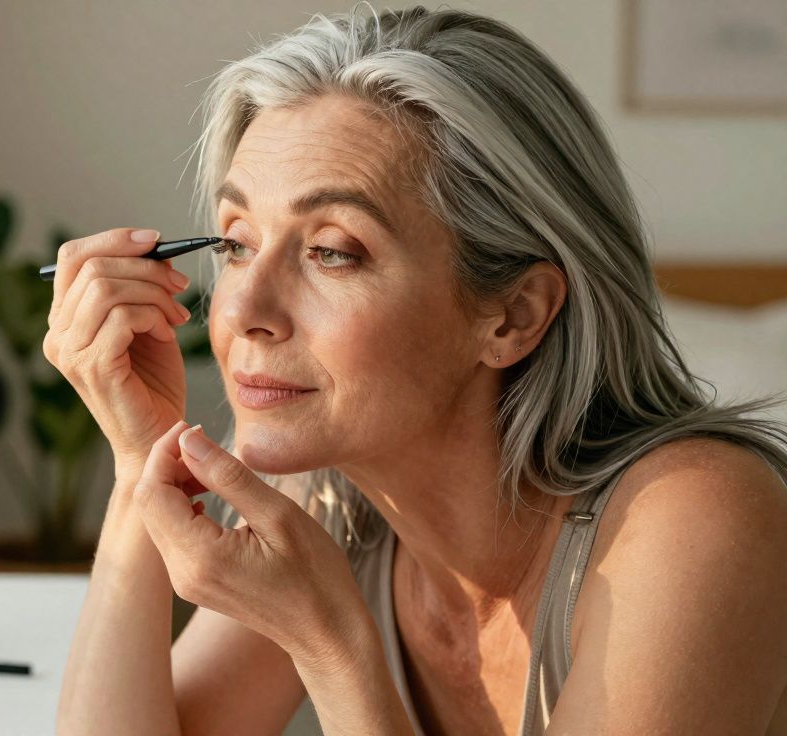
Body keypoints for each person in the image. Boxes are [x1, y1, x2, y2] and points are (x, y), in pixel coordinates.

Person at [48, 5, 787, 734]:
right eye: (237, 242)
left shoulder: (698, 521)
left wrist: (330, 643)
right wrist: (143, 461)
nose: (243, 309)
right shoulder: (334, 500)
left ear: (514, 315)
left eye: (332, 251)